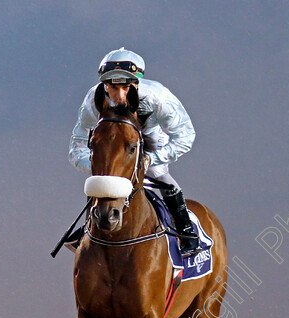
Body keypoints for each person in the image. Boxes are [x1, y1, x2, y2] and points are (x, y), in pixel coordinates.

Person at [68, 47, 202, 257]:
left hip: (149, 138)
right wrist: (99, 168)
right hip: (113, 140)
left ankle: (186, 229)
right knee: (103, 178)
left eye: (126, 87)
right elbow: (76, 147)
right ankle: (87, 229)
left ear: (137, 83)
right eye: (112, 87)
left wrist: (151, 159)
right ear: (104, 84)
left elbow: (185, 136)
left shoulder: (159, 97)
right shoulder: (92, 101)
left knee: (158, 175)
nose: (120, 95)